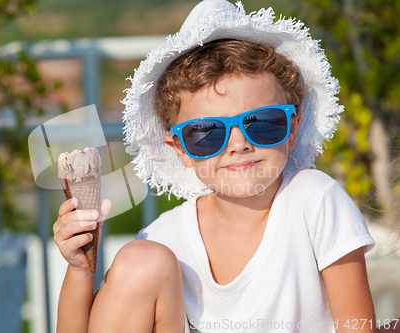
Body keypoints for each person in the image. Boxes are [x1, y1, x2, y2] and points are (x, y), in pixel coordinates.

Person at [53, 0, 380, 332]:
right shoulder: (165, 239)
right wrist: (80, 268)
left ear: (292, 128)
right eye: (207, 134)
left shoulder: (315, 200)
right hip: (147, 261)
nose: (238, 144)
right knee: (139, 261)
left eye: (262, 123)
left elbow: (357, 325)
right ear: (180, 148)